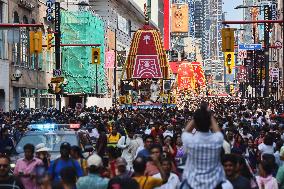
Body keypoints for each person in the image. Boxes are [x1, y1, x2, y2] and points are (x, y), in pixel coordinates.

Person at [181, 103, 231, 189]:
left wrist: (197, 116)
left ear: (195, 124)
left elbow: (186, 131)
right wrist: (209, 115)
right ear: (210, 124)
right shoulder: (217, 139)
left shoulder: (189, 140)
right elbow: (217, 131)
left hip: (192, 183)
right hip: (215, 183)